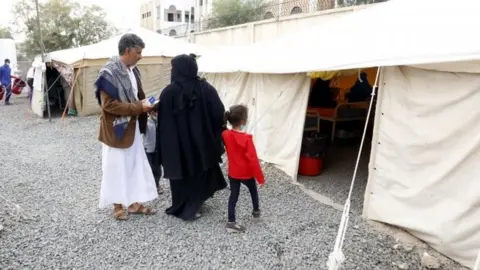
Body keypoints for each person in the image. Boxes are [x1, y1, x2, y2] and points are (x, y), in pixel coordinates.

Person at [94, 33, 158, 221]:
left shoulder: (133, 70)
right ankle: (117, 206)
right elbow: (109, 105)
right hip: (116, 129)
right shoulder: (108, 73)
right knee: (116, 167)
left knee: (133, 165)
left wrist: (149, 106)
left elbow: (137, 96)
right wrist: (139, 107)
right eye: (138, 52)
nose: (140, 56)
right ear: (128, 50)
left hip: (133, 127)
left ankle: (133, 204)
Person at [156, 54, 227, 221]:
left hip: (177, 144)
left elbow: (163, 123)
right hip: (201, 142)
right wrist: (213, 130)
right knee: (200, 169)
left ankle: (183, 206)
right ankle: (195, 203)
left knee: (182, 172)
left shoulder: (168, 92)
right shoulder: (205, 88)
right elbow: (218, 111)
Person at [222, 105, 265, 233]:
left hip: (233, 172)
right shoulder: (247, 139)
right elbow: (253, 161)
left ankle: (231, 222)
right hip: (246, 173)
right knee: (253, 191)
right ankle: (256, 211)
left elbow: (226, 132)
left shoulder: (225, 134)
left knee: (233, 196)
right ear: (243, 121)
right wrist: (261, 179)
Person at [143, 110, 163, 194]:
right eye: (152, 112)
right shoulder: (147, 123)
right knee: (150, 168)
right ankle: (149, 187)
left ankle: (156, 185)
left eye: (156, 112)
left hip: (156, 150)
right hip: (147, 149)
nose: (155, 114)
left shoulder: (160, 122)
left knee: (158, 170)